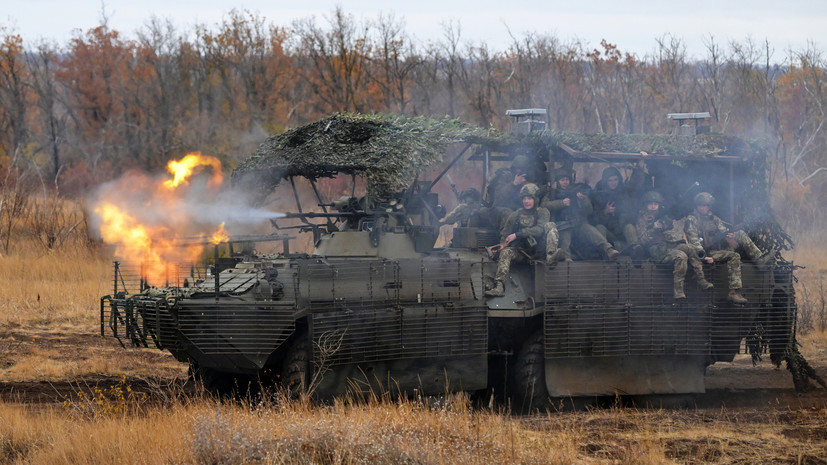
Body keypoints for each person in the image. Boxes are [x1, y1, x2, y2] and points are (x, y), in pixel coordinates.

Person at [684, 192, 775, 304]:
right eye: (701, 205)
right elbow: (693, 239)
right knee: (734, 256)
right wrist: (702, 255)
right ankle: (734, 292)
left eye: (706, 205)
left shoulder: (714, 218)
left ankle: (759, 260)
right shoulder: (692, 220)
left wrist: (728, 235)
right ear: (697, 206)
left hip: (718, 249)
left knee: (740, 233)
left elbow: (722, 231)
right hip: (705, 253)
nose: (704, 208)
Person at [635, 191, 712, 300]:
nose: (653, 206)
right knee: (681, 256)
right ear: (646, 204)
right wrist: (653, 228)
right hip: (658, 249)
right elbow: (642, 240)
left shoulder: (663, 216)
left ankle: (701, 279)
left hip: (671, 244)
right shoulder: (642, 219)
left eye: (655, 203)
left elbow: (673, 232)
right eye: (650, 203)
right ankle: (678, 291)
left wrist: (668, 224)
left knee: (692, 249)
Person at [486, 183, 559, 297]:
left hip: (539, 252)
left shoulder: (542, 212)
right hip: (520, 252)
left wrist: (518, 234)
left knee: (550, 226)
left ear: (535, 199)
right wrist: (500, 248)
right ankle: (499, 286)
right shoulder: (515, 215)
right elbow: (505, 235)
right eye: (524, 198)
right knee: (505, 252)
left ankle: (551, 255)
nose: (526, 201)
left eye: (529, 198)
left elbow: (539, 229)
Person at [541, 169, 619, 261]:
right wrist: (561, 203)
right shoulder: (552, 193)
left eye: (567, 180)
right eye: (562, 180)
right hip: (562, 226)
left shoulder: (575, 192)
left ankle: (608, 250)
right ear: (557, 182)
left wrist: (584, 200)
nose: (565, 182)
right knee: (565, 237)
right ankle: (567, 259)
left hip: (578, 225)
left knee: (590, 230)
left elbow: (589, 211)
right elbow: (543, 205)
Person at [590, 166, 638, 252]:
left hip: (622, 231)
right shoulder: (598, 195)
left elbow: (636, 183)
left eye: (615, 179)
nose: (613, 183)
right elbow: (593, 220)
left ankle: (635, 250)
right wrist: (605, 212)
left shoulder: (624, 193)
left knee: (629, 227)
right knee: (600, 227)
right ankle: (606, 252)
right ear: (605, 181)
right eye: (610, 180)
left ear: (619, 180)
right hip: (608, 234)